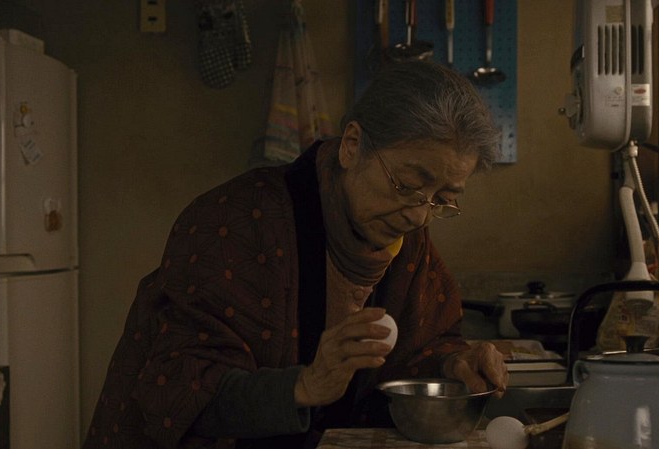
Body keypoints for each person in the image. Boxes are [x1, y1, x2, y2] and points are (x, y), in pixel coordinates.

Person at [83, 59, 509, 449]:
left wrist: (455, 364)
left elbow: (423, 346)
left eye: (443, 199)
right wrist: (306, 385)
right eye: (408, 184)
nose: (419, 214)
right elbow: (177, 391)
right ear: (352, 145)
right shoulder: (235, 222)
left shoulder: (408, 237)